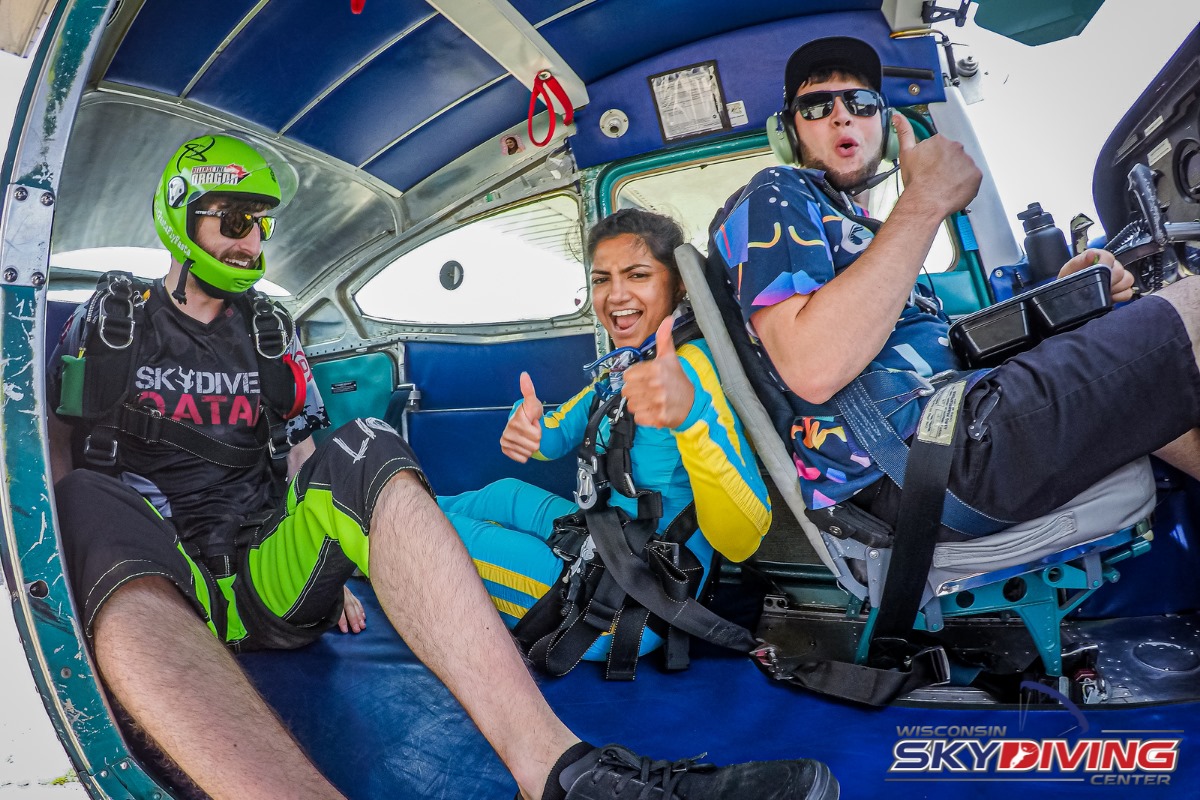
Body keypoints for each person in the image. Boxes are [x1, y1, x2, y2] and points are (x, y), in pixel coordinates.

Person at [47, 133, 839, 800]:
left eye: (261, 226)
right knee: (83, 493)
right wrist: (532, 432)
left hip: (274, 572)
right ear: (181, 220)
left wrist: (327, 555)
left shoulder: (268, 329)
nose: (251, 242)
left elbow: (302, 446)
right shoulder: (110, 322)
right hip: (156, 577)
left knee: (370, 444)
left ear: (676, 288)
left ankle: (562, 774)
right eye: (233, 222)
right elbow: (52, 444)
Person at [711, 36, 1200, 544]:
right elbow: (811, 367)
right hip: (921, 459)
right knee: (1194, 308)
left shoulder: (868, 234)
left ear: (884, 126)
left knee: (1147, 379)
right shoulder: (776, 192)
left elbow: (951, 347)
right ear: (789, 133)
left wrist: (1066, 299)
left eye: (860, 103)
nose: (841, 116)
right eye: (817, 106)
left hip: (945, 432)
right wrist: (925, 200)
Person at [438, 209, 770, 670]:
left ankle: (359, 528)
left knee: (443, 538)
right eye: (602, 279)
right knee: (502, 494)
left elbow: (742, 540)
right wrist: (527, 422)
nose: (616, 295)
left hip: (632, 600)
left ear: (677, 286)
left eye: (637, 275)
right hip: (604, 542)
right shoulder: (625, 365)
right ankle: (385, 509)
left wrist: (691, 417)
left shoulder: (691, 369)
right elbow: (552, 438)